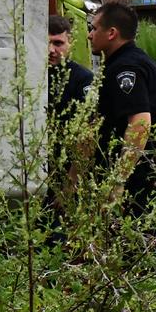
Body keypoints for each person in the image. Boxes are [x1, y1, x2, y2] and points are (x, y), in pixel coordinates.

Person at [87, 1, 156, 230]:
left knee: (138, 250)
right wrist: (154, 145)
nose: (90, 35)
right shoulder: (145, 61)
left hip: (140, 181)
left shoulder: (123, 68)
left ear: (112, 33)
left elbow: (140, 124)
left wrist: (119, 179)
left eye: (94, 28)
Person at [46, 13, 94, 215]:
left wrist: (71, 181)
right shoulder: (28, 75)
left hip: (68, 170)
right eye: (46, 43)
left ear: (70, 43)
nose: (51, 50)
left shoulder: (82, 79)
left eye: (58, 43)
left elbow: (89, 132)